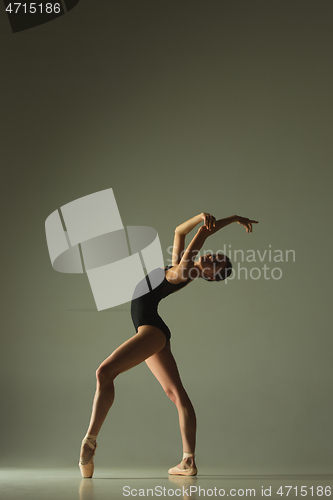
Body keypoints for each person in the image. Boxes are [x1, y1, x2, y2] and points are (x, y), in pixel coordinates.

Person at [79, 212, 258, 478]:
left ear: (210, 277)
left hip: (151, 330)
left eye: (216, 263)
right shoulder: (178, 269)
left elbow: (200, 235)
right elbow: (179, 232)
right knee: (176, 395)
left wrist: (230, 219)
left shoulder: (184, 271)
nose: (211, 257)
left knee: (104, 373)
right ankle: (188, 461)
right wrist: (199, 216)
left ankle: (89, 442)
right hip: (154, 331)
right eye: (215, 255)